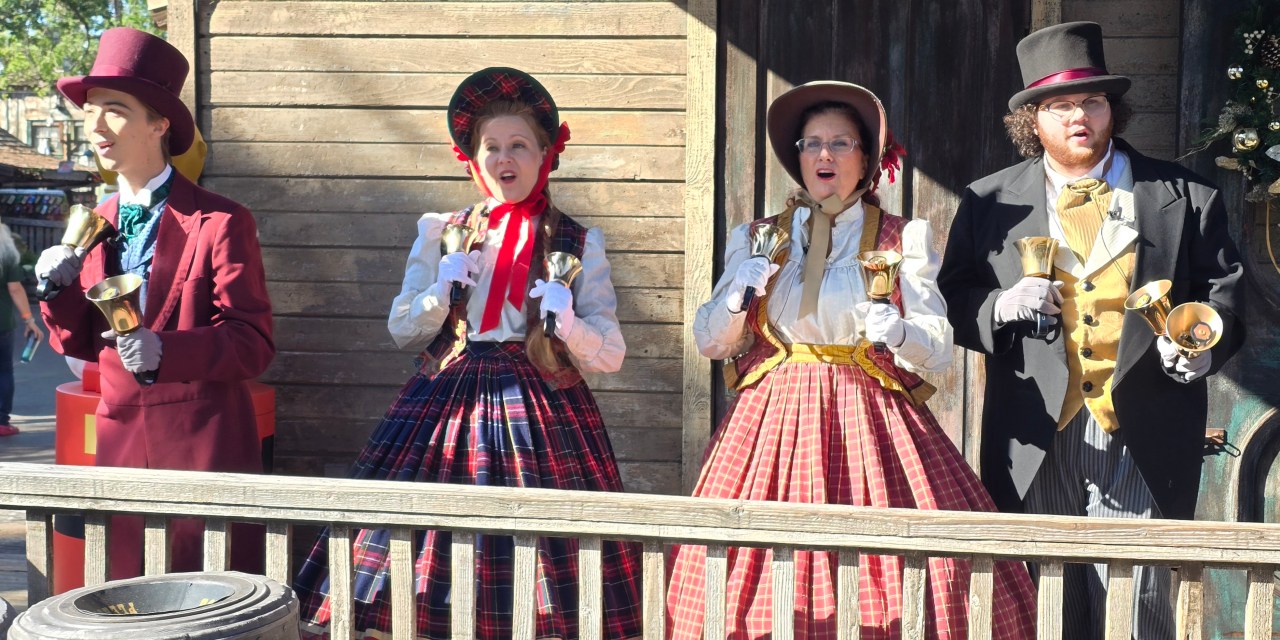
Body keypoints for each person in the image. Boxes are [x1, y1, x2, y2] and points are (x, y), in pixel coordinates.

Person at [665, 80, 1036, 639]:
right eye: (812, 144)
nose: (824, 155)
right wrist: (738, 293)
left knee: (900, 571)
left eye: (840, 143)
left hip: (869, 421)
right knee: (749, 570)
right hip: (770, 421)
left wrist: (900, 330)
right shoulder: (757, 237)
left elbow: (937, 349)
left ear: (868, 159)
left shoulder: (902, 237)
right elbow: (711, 343)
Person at [291, 67, 641, 640]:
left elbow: (611, 354)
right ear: (474, 159)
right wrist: (440, 291)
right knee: (419, 546)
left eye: (519, 146)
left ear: (545, 155)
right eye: (492, 147)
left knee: (547, 564)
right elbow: (402, 329)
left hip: (543, 414)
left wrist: (570, 322)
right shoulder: (442, 231)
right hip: (445, 404)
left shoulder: (578, 241)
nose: (506, 158)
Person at [937, 22, 1245, 639]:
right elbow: (952, 300)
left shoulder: (1186, 196)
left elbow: (1225, 296)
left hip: (1146, 428)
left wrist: (1201, 348)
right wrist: (998, 306)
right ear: (1033, 120)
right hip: (1032, 434)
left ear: (1113, 109)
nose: (1080, 116)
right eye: (1060, 106)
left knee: (1139, 610)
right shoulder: (988, 200)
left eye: (1092, 101)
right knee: (1040, 609)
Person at [35, 27, 274, 579]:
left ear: (159, 124)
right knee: (125, 600)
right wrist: (57, 289)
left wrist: (165, 349)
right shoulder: (95, 222)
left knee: (208, 601)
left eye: (114, 110)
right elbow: (79, 344)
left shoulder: (221, 220)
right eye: (91, 110)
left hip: (204, 449)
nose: (95, 126)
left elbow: (253, 345)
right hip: (118, 444)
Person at [2, 221, 43, 436]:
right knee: (3, 371)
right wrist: (29, 320)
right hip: (2, 324)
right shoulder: (7, 253)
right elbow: (15, 288)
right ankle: (1, 421)